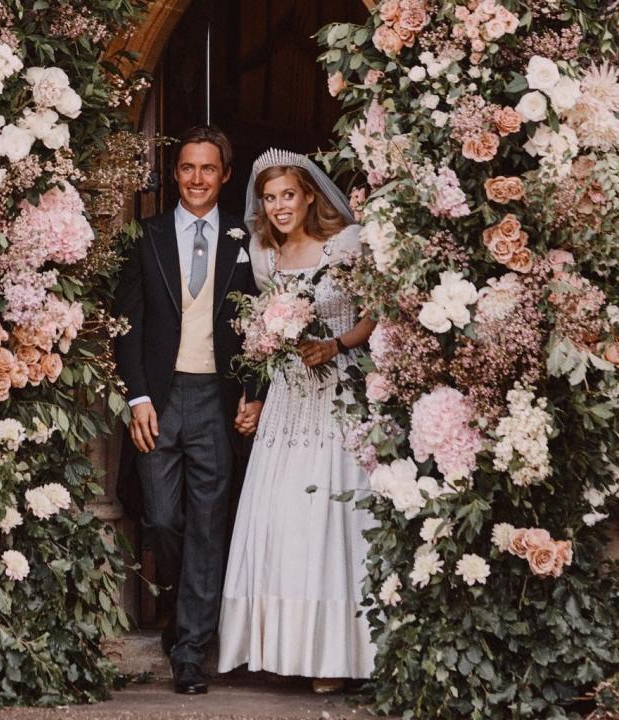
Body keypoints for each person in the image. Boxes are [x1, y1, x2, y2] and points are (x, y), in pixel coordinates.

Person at [217, 149, 378, 693]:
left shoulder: (346, 245)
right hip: (288, 398)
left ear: (310, 195)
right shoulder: (265, 255)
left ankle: (336, 655)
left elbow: (373, 313)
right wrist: (256, 392)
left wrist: (335, 343)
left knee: (332, 517)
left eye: (288, 194)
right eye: (269, 198)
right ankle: (280, 646)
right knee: (283, 513)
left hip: (339, 391)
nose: (279, 206)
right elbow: (263, 339)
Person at [113, 126, 263, 695]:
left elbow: (258, 330)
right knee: (161, 519)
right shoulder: (146, 237)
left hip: (215, 402)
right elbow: (126, 326)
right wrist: (138, 396)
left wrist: (252, 392)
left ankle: (191, 651)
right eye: (186, 169)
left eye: (208, 169)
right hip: (160, 397)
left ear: (225, 175)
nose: (197, 179)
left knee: (208, 524)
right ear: (175, 174)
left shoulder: (244, 243)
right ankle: (181, 610)